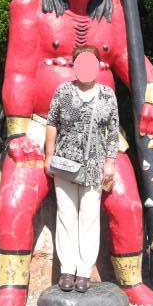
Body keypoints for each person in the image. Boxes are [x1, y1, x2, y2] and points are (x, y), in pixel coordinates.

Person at [45, 45, 119, 293]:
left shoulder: (107, 95)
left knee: (89, 217)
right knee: (66, 215)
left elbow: (112, 131)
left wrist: (110, 161)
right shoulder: (64, 91)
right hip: (65, 162)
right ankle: (67, 269)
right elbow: (52, 123)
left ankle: (84, 271)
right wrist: (49, 155)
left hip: (95, 165)